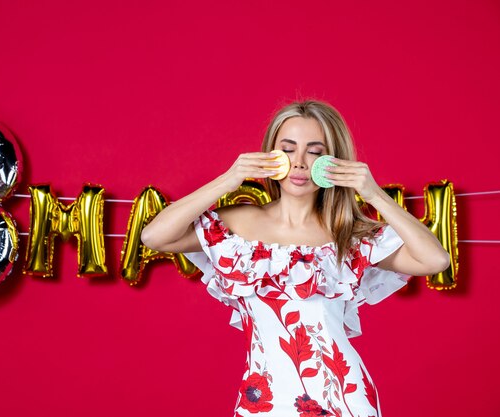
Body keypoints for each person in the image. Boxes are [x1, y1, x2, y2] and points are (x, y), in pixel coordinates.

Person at [140, 99, 449, 416]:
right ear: (269, 154)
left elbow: (435, 261)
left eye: (314, 151)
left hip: (345, 400)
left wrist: (373, 194)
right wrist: (230, 178)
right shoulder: (237, 226)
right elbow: (153, 236)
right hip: (262, 400)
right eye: (288, 149)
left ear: (335, 161)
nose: (300, 162)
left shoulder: (348, 235)